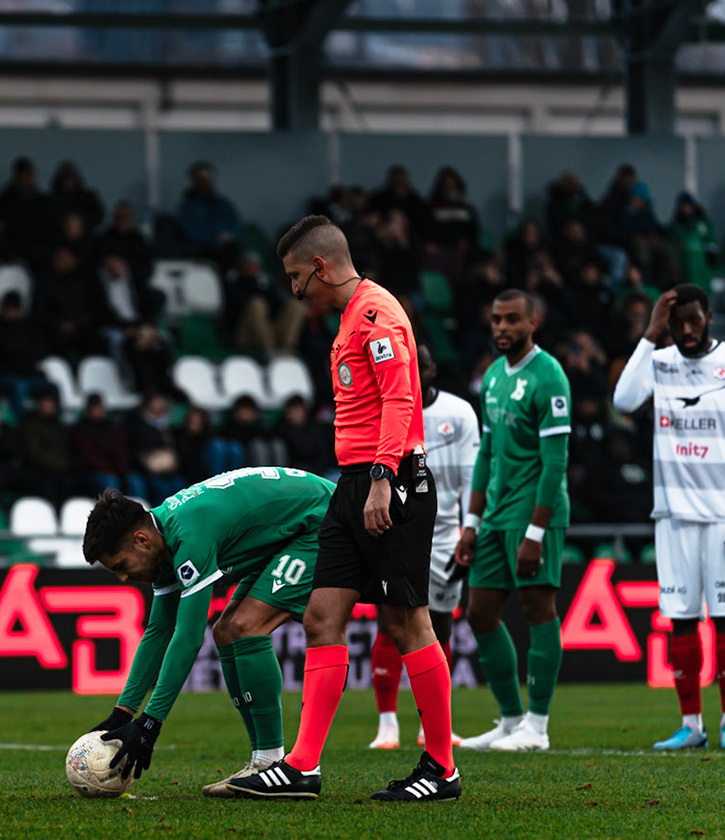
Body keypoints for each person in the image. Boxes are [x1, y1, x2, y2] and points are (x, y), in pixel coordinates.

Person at [227, 214, 459, 804]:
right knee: (320, 618)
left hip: (391, 480)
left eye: (295, 275)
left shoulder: (378, 314)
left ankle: (441, 767)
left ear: (320, 266)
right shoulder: (351, 318)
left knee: (407, 622)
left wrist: (383, 478)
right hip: (352, 484)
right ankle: (302, 766)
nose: (293, 288)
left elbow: (401, 397)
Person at [81, 470, 334, 795]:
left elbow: (187, 639)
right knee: (226, 632)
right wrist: (122, 713)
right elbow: (159, 631)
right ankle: (264, 761)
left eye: (120, 566)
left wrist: (150, 724)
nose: (123, 578)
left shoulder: (189, 537)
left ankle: (273, 761)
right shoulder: (162, 541)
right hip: (292, 528)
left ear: (140, 541)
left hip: (322, 521)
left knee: (246, 627)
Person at [611, 285, 725, 751]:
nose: (686, 331)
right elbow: (623, 401)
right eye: (677, 324)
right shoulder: (660, 363)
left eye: (693, 321)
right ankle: (691, 724)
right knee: (680, 619)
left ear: (710, 317)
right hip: (674, 514)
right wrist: (650, 333)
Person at [445, 291, 574, 752]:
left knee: (538, 609)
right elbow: (485, 456)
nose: (502, 328)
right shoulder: (494, 376)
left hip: (534, 511)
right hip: (495, 512)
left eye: (512, 320)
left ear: (533, 322)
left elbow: (555, 463)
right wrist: (472, 523)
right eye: (497, 319)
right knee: (480, 613)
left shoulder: (550, 376)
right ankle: (510, 719)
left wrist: (536, 533)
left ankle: (537, 727)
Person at [369, 343, 480, 751]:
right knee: (390, 621)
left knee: (440, 626)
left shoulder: (459, 413)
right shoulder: (387, 411)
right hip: (396, 530)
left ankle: (433, 725)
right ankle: (386, 726)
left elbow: (473, 476)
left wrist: (472, 528)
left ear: (431, 371)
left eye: (423, 367)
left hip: (447, 533)